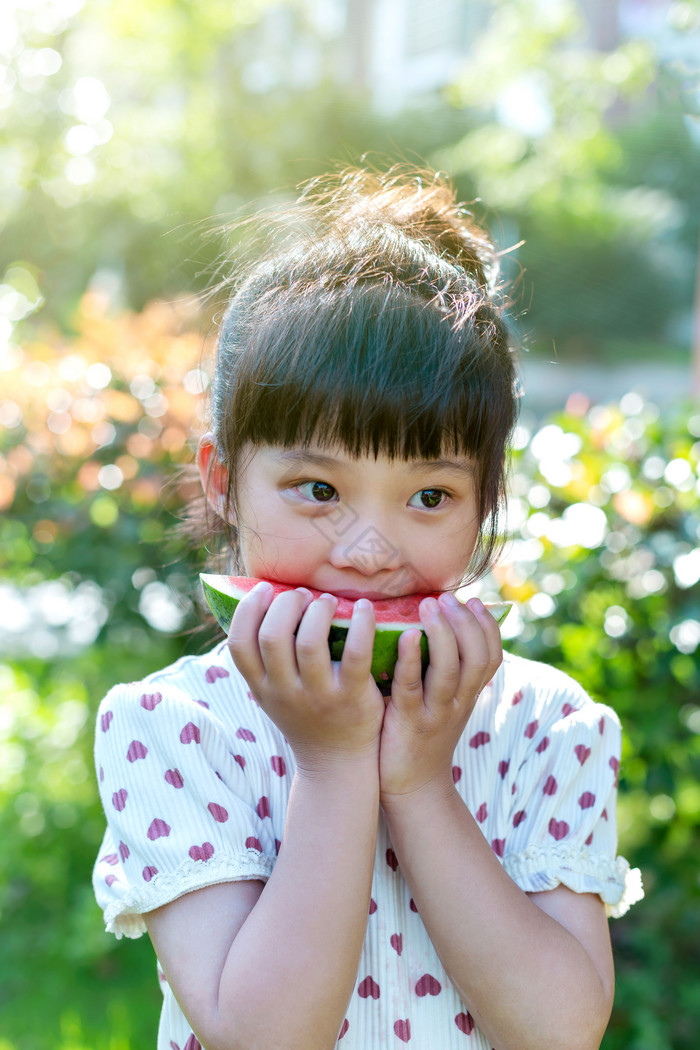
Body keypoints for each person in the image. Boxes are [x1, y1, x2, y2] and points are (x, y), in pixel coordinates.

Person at [93, 165, 642, 1050]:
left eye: (430, 497)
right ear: (224, 483)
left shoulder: (548, 725)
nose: (370, 549)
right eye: (318, 487)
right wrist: (333, 765)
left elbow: (560, 1031)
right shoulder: (172, 726)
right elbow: (264, 1036)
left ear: (486, 506)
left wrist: (422, 783)